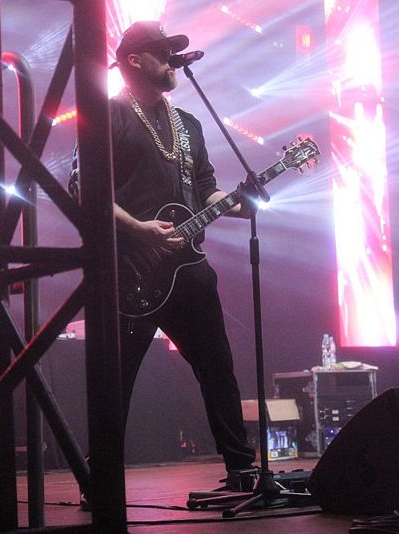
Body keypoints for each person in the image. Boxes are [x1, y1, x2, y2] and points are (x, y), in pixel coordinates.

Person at [74, 20, 256, 495]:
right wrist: (138, 229)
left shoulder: (189, 124)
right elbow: (83, 187)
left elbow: (206, 189)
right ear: (134, 60)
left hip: (190, 272)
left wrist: (240, 203)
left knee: (217, 369)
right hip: (132, 270)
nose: (174, 60)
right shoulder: (108, 114)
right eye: (164, 51)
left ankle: (242, 470)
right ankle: (101, 480)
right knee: (117, 382)